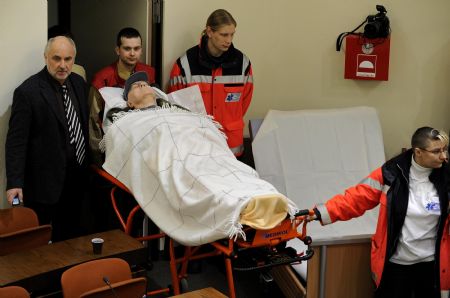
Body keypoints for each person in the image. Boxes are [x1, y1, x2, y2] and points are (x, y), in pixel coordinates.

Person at [310, 127, 450, 297]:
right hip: (396, 264)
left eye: (444, 149)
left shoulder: (447, 176)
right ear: (418, 152)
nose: (444, 156)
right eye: (436, 151)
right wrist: (320, 213)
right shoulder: (391, 173)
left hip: (433, 265)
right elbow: (357, 198)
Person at [5, 36, 90, 242]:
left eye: (68, 59)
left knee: (71, 238)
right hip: (44, 182)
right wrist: (14, 182)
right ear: (46, 58)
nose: (63, 65)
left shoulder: (78, 83)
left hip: (76, 177)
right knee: (39, 243)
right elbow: (17, 141)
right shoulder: (28, 92)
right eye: (57, 58)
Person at [168, 9, 253, 157]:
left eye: (232, 34)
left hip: (231, 148)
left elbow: (244, 102)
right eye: (224, 34)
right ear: (209, 31)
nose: (229, 40)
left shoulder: (242, 63)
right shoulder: (185, 64)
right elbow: (175, 107)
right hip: (196, 146)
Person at [89, 27, 156, 165]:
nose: (132, 53)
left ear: (141, 50)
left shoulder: (148, 73)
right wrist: (98, 157)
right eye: (127, 48)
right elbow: (93, 121)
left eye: (137, 48)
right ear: (117, 50)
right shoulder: (102, 79)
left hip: (145, 142)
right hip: (113, 145)